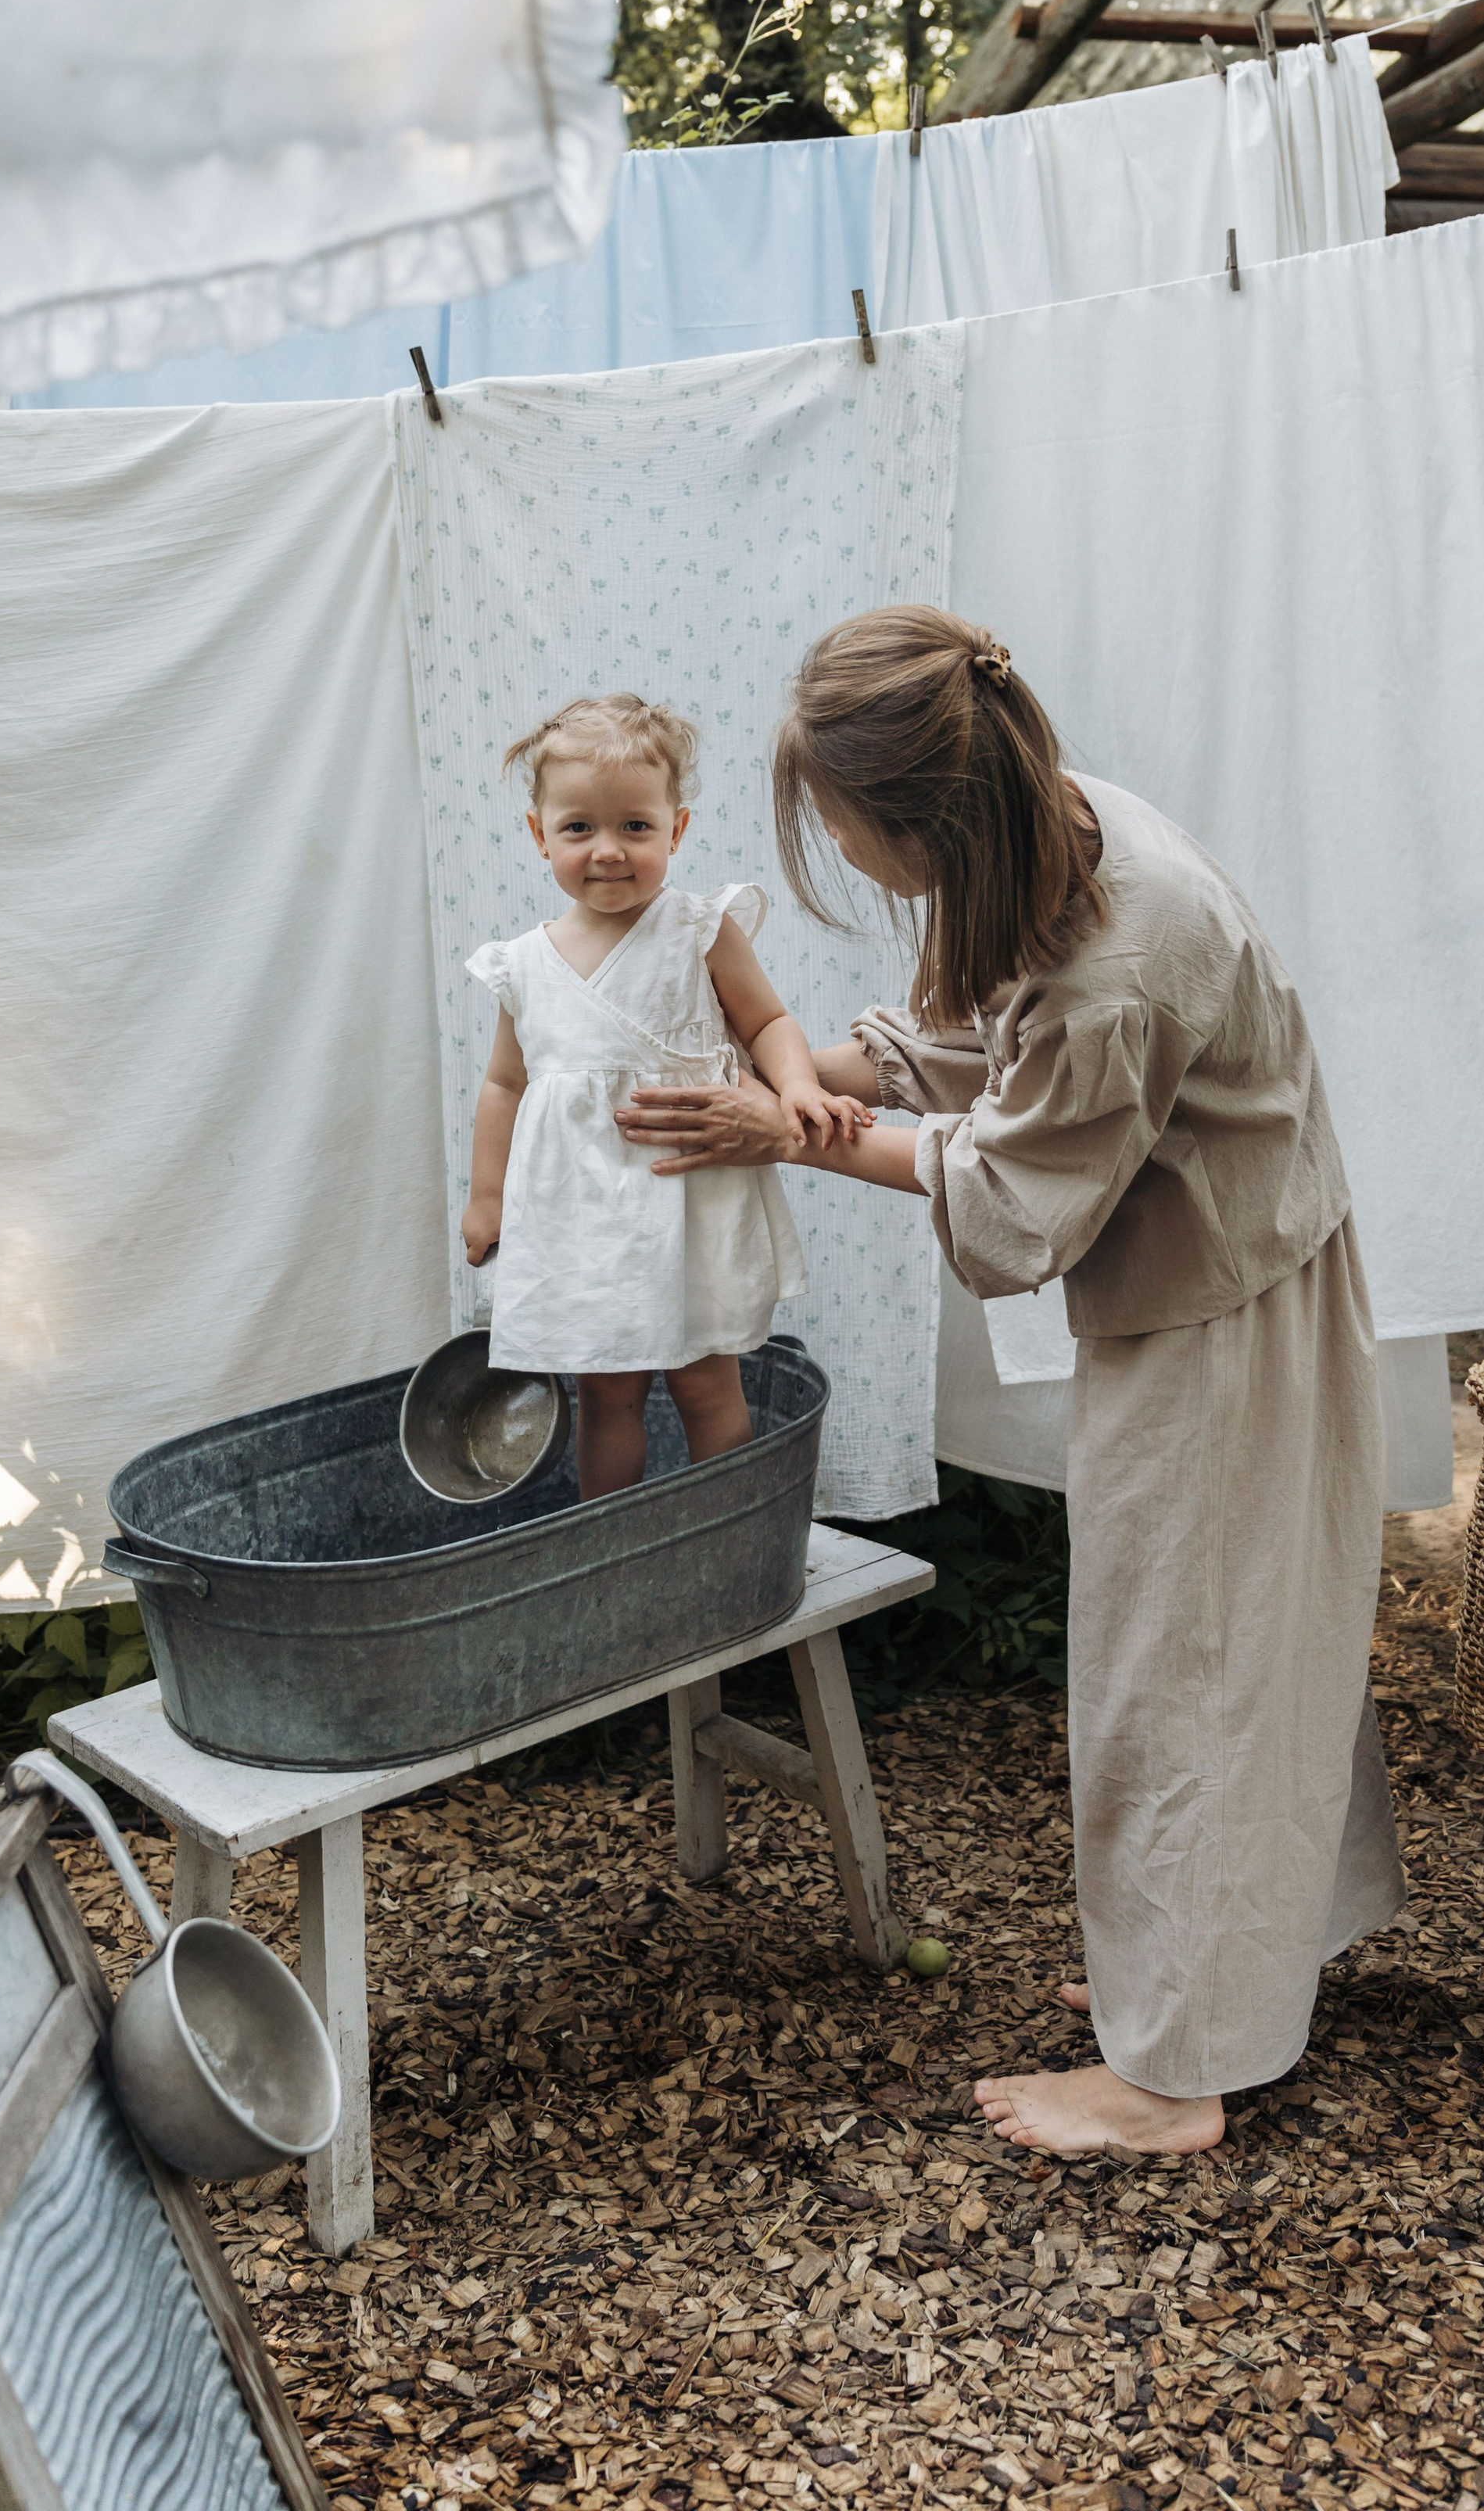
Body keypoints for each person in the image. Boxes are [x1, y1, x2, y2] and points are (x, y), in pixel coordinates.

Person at [615, 606, 1406, 2158]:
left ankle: (1171, 2078)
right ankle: (1228, 1970)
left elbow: (1016, 1205)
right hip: (1229, 1269)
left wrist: (790, 1139)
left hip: (1222, 1316)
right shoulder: (1047, 812)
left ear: (929, 820)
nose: (852, 873)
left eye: (852, 844)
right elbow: (977, 1027)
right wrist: (811, 1077)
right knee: (1250, 1640)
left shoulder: (1122, 947)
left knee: (1179, 1668)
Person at [461, 691, 872, 1501]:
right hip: (583, 1215)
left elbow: (767, 1022)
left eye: (635, 828)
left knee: (705, 1383)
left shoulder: (697, 930)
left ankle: (724, 1532)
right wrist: (486, 1197)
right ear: (540, 835)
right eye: (579, 828)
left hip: (685, 1200)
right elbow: (506, 1085)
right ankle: (612, 1544)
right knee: (606, 1394)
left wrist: (793, 1085)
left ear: (675, 830)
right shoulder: (523, 966)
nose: (608, 851)